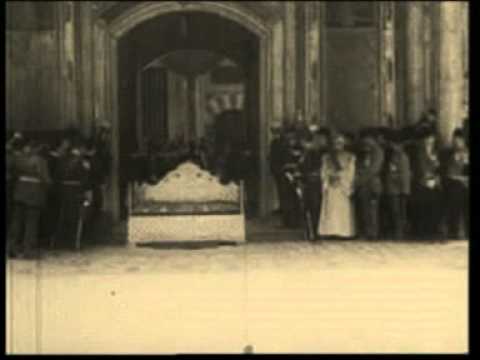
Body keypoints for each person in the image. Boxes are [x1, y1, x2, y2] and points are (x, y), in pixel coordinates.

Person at [8, 140, 52, 258]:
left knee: (17, 222)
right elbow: (45, 178)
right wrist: (49, 186)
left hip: (20, 192)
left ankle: (11, 248)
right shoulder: (40, 161)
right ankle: (28, 250)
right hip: (34, 194)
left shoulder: (19, 159)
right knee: (31, 223)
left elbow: (13, 173)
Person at [318, 132, 356, 238]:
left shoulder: (350, 156)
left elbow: (351, 171)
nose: (338, 145)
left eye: (340, 143)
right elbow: (324, 170)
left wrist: (341, 178)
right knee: (331, 210)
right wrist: (328, 178)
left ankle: (343, 232)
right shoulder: (327, 157)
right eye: (335, 143)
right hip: (331, 186)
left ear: (343, 143)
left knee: (342, 209)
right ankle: (329, 231)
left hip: (342, 186)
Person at [55, 139, 92, 249]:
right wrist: (87, 192)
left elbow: (58, 175)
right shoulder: (82, 162)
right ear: (80, 148)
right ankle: (73, 242)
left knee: (62, 217)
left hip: (63, 191)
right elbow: (85, 179)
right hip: (76, 192)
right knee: (75, 218)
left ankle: (59, 241)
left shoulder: (63, 159)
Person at [411, 130, 442, 239]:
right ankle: (423, 231)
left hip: (433, 182)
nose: (430, 141)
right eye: (428, 139)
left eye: (432, 139)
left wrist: (435, 165)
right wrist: (427, 178)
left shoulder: (435, 151)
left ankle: (433, 229)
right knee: (423, 205)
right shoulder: (419, 151)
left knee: (435, 204)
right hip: (422, 182)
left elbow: (437, 167)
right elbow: (420, 168)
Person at [355, 130, 384, 240]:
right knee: (365, 209)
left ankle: (373, 233)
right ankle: (368, 232)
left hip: (372, 184)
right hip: (365, 185)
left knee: (373, 210)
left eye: (367, 139)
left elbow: (373, 169)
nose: (365, 142)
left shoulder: (378, 152)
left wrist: (360, 180)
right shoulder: (365, 151)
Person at [300, 126, 329, 235]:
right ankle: (312, 231)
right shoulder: (310, 152)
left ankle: (318, 230)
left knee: (319, 206)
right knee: (312, 206)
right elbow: (303, 165)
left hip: (320, 181)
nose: (318, 141)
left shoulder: (326, 152)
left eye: (321, 138)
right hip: (311, 181)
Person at [441, 129, 469, 239]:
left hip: (465, 183)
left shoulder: (467, 153)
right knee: (455, 195)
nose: (456, 143)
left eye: (458, 141)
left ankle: (463, 230)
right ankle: (455, 230)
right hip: (455, 185)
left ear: (463, 141)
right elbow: (449, 173)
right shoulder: (448, 154)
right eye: (454, 140)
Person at [384, 132, 411, 239]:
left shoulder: (401, 156)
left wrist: (398, 183)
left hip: (397, 188)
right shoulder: (398, 155)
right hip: (400, 187)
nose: (392, 146)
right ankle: (399, 232)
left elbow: (401, 174)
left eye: (393, 144)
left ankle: (399, 232)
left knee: (397, 211)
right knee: (398, 210)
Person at [269, 122, 287, 215]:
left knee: (283, 190)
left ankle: (284, 208)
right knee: (280, 189)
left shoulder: (282, 142)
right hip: (277, 169)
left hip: (281, 169)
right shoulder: (274, 142)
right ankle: (282, 207)